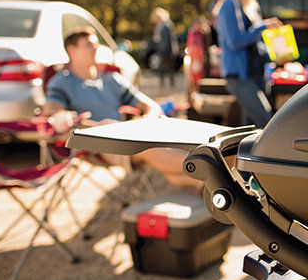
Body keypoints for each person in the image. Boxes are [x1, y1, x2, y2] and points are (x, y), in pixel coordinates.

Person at [41, 27, 200, 190]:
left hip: (127, 133)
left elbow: (151, 106)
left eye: (96, 44)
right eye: (88, 45)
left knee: (166, 143)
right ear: (71, 50)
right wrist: (92, 126)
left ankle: (206, 183)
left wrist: (148, 120)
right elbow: (54, 112)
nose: (95, 49)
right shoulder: (62, 82)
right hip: (99, 143)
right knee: (147, 148)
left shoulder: (112, 80)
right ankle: (209, 172)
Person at [214, 0, 281, 128]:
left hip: (256, 73)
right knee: (267, 123)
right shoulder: (229, 5)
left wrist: (276, 55)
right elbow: (235, 42)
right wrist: (263, 26)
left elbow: (254, 46)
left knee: (250, 128)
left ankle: (242, 155)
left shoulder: (252, 6)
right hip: (239, 77)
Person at [150, 7, 179, 88]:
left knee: (167, 69)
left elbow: (168, 41)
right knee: (165, 69)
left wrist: (164, 51)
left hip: (167, 50)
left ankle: (168, 85)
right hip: (163, 50)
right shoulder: (160, 26)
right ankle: (165, 84)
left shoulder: (165, 26)